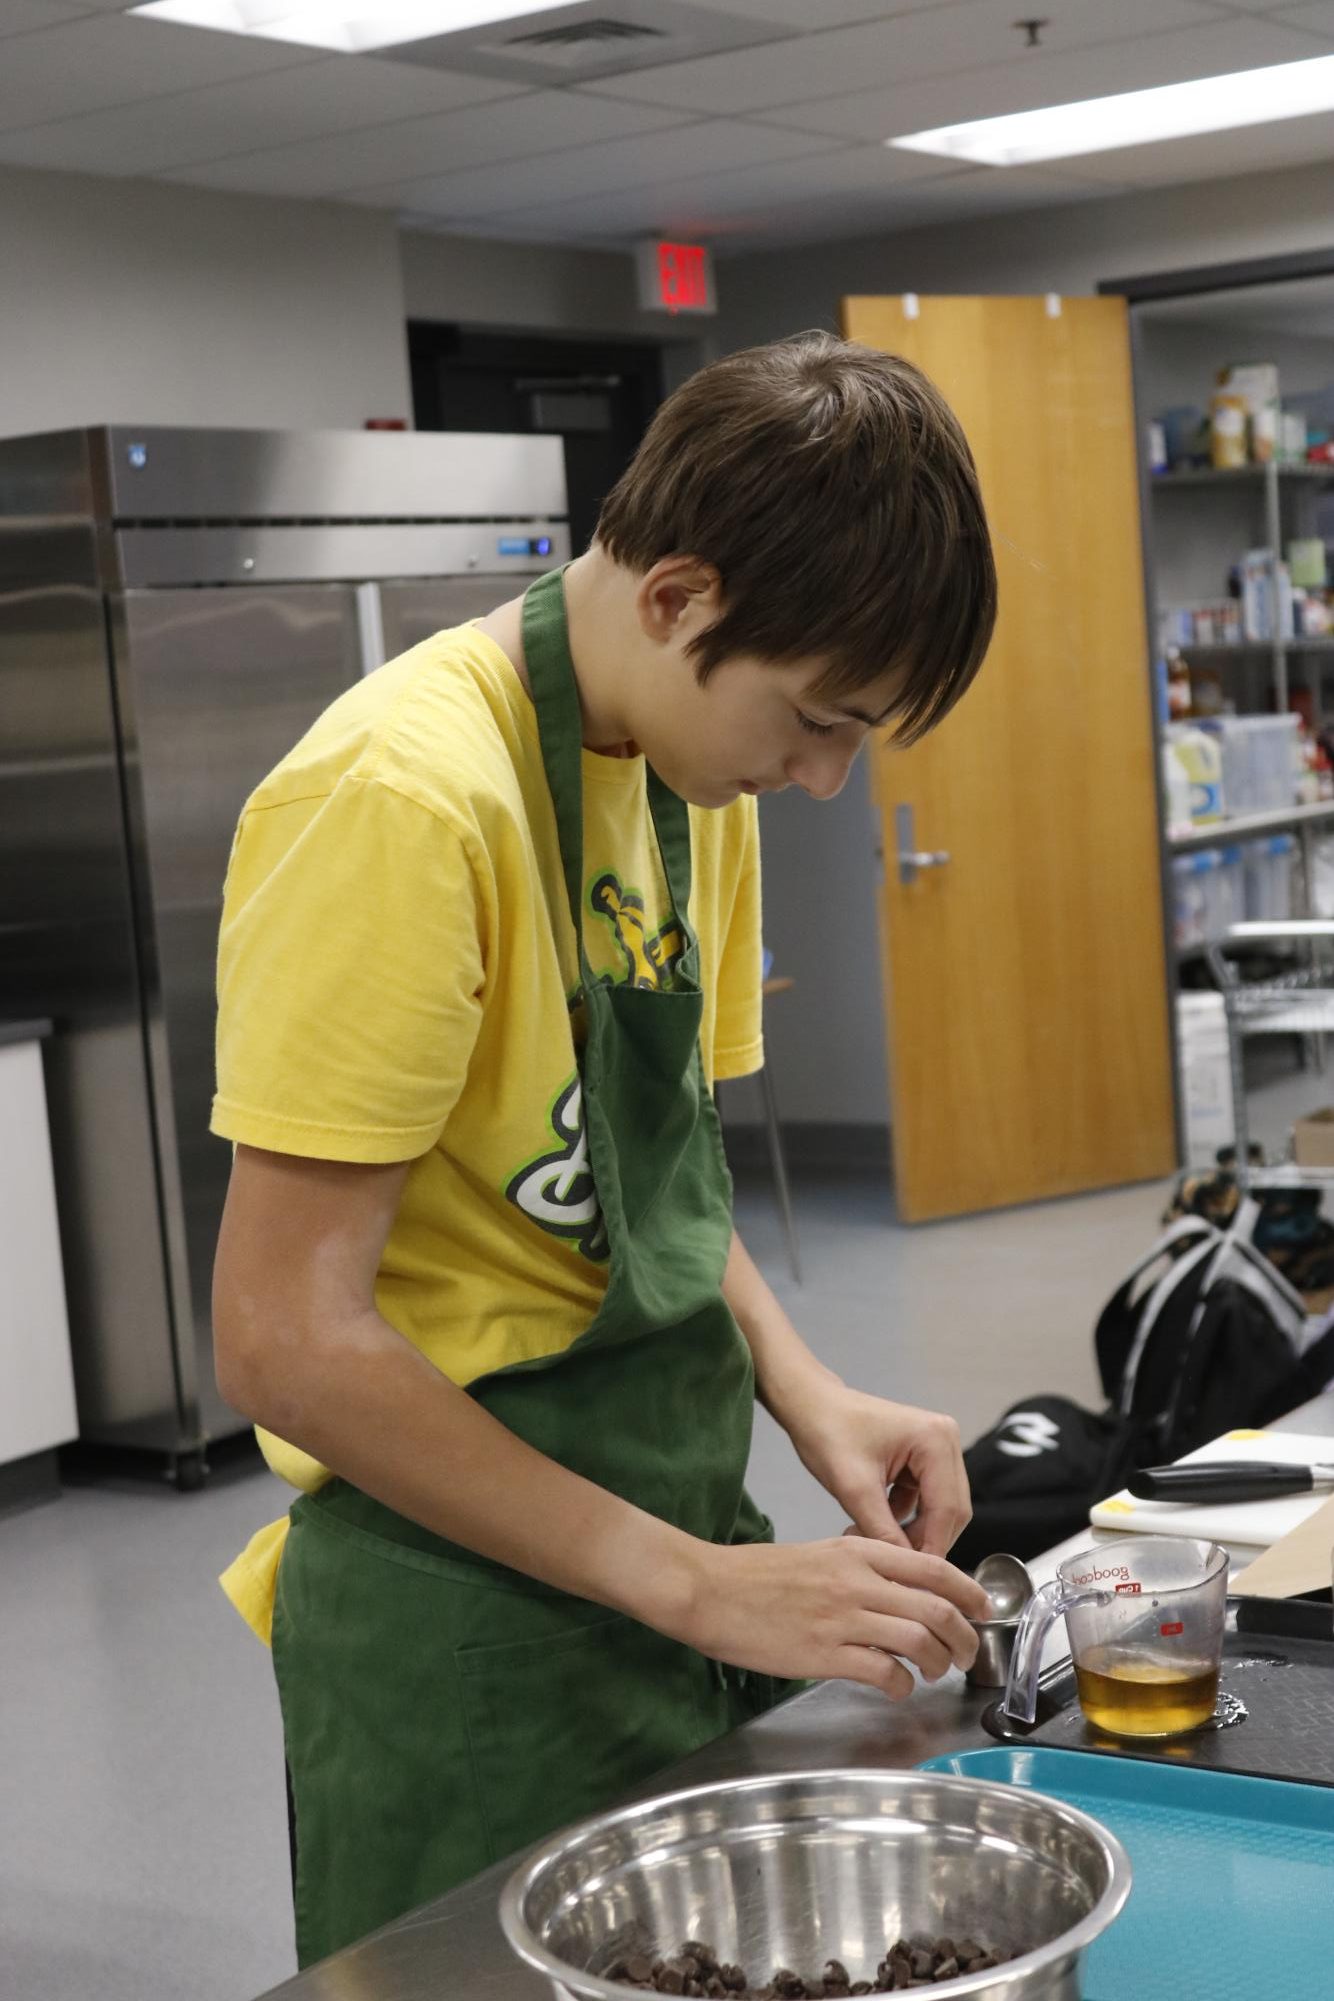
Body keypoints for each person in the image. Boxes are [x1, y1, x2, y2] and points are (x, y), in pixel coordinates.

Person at [211, 331, 998, 1968]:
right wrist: (701, 1587)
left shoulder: (684, 787)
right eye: (813, 718)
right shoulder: (403, 800)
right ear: (675, 598)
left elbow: (658, 1181)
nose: (823, 777)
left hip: (665, 1550)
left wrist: (807, 1391)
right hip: (462, 1621)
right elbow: (284, 1337)